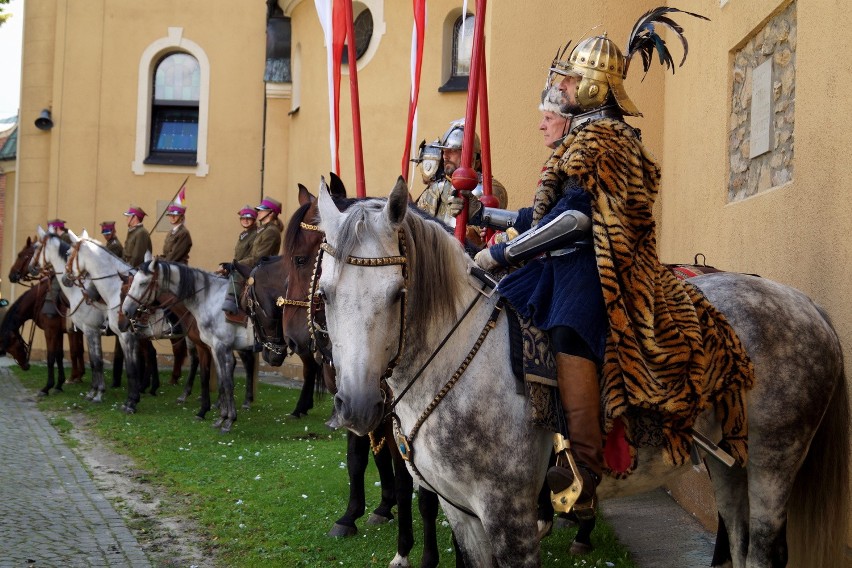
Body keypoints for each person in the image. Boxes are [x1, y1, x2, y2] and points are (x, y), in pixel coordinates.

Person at [450, 18, 743, 520]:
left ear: (590, 87)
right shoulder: (584, 139)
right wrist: (485, 216)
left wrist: (504, 253)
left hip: (599, 268)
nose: (558, 92)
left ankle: (584, 470)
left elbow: (577, 219)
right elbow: (542, 215)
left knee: (569, 331)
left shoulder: (604, 139)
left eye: (565, 83)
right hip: (567, 265)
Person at [415, 119, 508, 232]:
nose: (445, 156)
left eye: (453, 150)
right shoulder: (435, 190)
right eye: (444, 151)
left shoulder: (490, 190)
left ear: (472, 156)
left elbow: (482, 239)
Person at [223, 198, 282, 318]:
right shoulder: (264, 230)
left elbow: (258, 257)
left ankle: (234, 307)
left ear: (271, 213)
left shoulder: (271, 231)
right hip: (256, 266)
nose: (258, 212)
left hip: (262, 271)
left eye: (261, 210)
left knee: (237, 273)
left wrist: (236, 264)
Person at [220, 205, 259, 315]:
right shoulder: (244, 234)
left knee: (235, 278)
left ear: (254, 219)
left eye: (249, 218)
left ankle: (232, 304)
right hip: (239, 265)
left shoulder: (256, 234)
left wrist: (235, 265)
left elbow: (252, 256)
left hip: (247, 268)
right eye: (243, 218)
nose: (245, 220)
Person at [42, 219, 72, 317]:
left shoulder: (65, 237)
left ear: (56, 228)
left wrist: (53, 271)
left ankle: (50, 311)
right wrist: (49, 269)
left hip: (67, 271)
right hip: (61, 268)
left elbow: (65, 258)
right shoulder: (61, 238)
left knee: (54, 285)